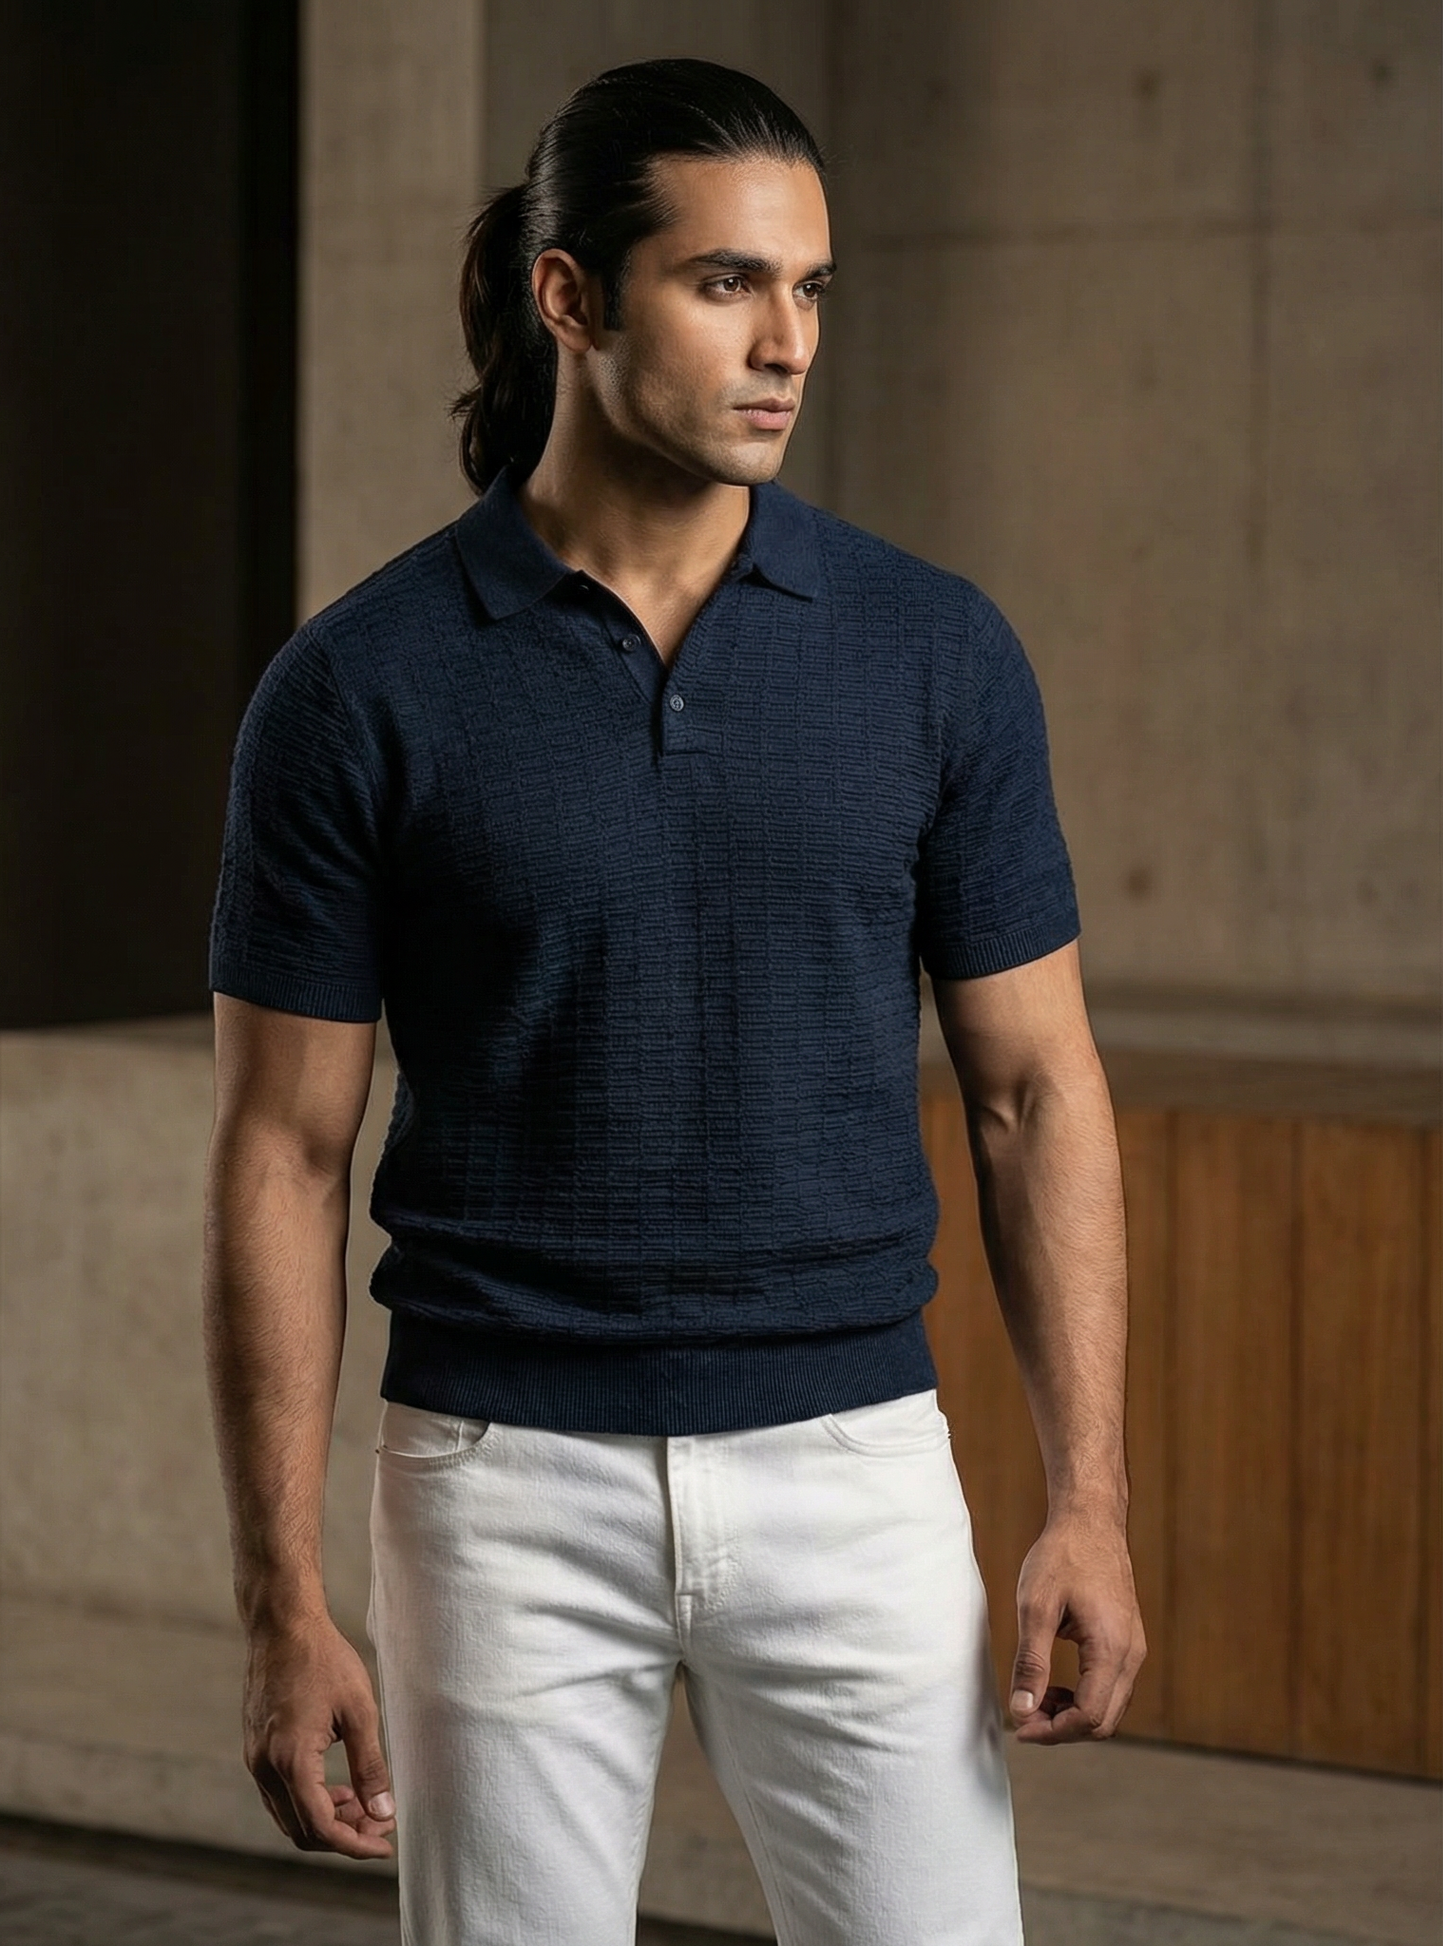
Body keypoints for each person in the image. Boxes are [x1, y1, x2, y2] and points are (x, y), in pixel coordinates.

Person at [203, 56, 1144, 1946]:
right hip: (496, 1484)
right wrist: (280, 1601)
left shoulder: (933, 653)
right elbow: (284, 1152)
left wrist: (1089, 1499)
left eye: (808, 288)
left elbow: (1035, 1089)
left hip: (855, 1463)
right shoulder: (357, 688)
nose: (787, 342)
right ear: (569, 296)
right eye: (726, 283)